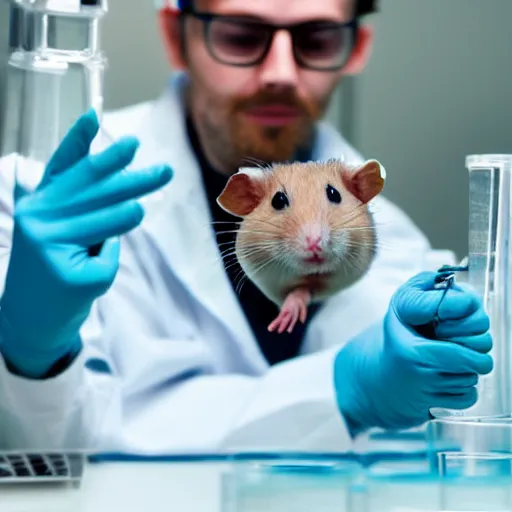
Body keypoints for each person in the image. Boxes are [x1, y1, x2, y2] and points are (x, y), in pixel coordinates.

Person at [0, 0, 492, 454]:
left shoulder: (401, 250)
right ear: (176, 37)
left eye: (316, 39)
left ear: (354, 48)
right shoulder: (37, 199)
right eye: (240, 35)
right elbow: (44, 448)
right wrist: (32, 351)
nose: (280, 73)